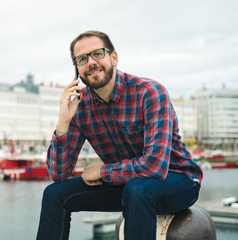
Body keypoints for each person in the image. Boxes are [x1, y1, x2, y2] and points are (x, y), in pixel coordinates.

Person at [36, 30, 203, 240]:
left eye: (97, 53)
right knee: (54, 194)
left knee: (137, 189)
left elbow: (154, 166)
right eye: (82, 59)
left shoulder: (149, 92)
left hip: (178, 179)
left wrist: (101, 172)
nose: (91, 62)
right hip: (126, 184)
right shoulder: (79, 105)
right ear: (77, 69)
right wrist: (63, 123)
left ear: (113, 57)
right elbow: (58, 174)